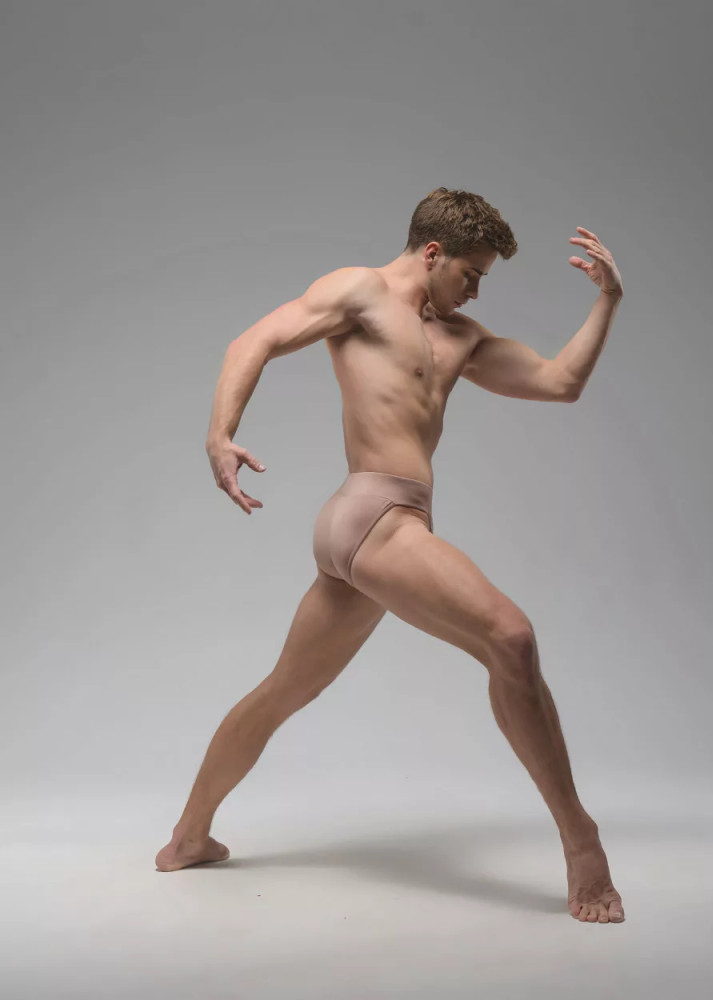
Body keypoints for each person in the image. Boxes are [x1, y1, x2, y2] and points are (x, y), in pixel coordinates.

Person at [155, 187, 626, 925]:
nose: (475, 290)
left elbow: (561, 382)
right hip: (377, 518)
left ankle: (188, 839)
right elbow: (253, 341)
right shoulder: (362, 293)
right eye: (470, 273)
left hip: (371, 534)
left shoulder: (462, 338)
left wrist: (607, 302)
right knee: (511, 638)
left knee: (283, 690)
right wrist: (221, 435)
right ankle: (582, 841)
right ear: (432, 253)